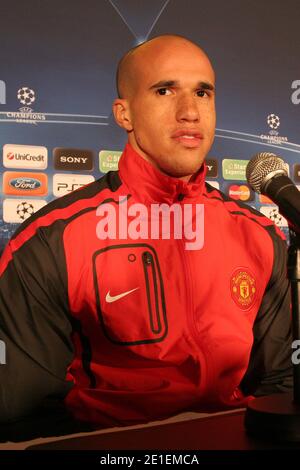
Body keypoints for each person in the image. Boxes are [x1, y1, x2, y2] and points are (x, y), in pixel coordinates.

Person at [0, 34, 292, 426]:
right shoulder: (49, 240)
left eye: (203, 93)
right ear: (125, 114)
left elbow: (279, 383)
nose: (190, 111)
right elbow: (26, 410)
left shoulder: (259, 235)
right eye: (165, 90)